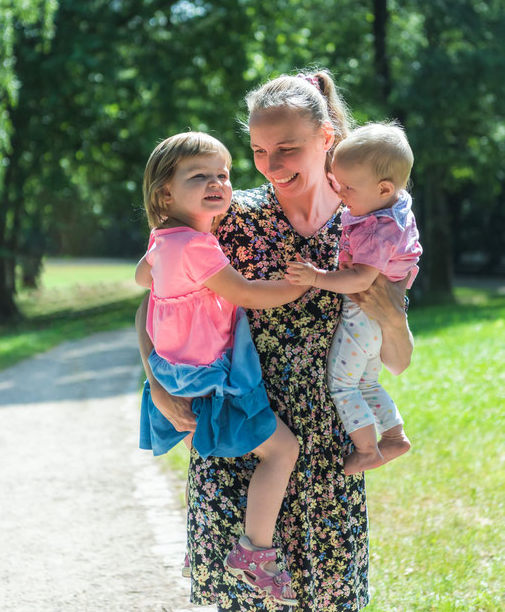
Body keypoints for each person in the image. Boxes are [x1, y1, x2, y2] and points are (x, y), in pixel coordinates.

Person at [135, 70, 414, 611]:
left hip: (332, 446)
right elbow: (155, 298)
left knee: (330, 598)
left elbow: (396, 362)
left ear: (326, 138)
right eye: (260, 151)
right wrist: (157, 385)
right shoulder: (228, 216)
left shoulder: (368, 227)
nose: (272, 165)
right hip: (243, 425)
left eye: (287, 148)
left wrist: (395, 318)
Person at [135, 131, 306, 606]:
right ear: (165, 192)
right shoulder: (197, 246)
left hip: (178, 373)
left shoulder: (164, 241)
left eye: (223, 175)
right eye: (199, 176)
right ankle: (255, 553)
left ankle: (205, 548)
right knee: (281, 452)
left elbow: (142, 280)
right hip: (211, 377)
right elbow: (246, 293)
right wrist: (301, 288)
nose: (217, 183)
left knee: (216, 459)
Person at [286, 122, 422, 476]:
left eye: (348, 187)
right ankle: (394, 435)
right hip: (376, 318)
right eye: (336, 183)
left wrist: (317, 277)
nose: (341, 193)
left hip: (362, 317)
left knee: (342, 385)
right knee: (367, 382)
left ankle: (367, 450)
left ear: (383, 187)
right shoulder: (392, 205)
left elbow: (362, 277)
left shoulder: (377, 228)